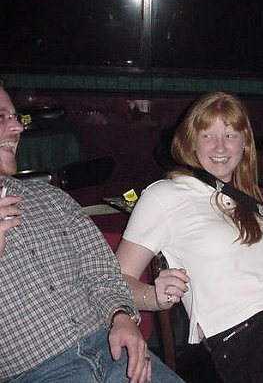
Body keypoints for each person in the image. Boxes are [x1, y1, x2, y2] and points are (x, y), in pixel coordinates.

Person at [115, 91, 263, 383]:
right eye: (208, 135)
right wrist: (153, 296)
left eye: (230, 135)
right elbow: (116, 281)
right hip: (244, 332)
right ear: (191, 142)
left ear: (245, 143)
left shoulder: (247, 194)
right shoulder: (164, 195)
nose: (220, 146)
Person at [0, 87, 184, 383]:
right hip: (35, 373)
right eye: (1, 116)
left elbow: (100, 273)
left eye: (15, 116)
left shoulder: (50, 198)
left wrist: (121, 317)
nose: (17, 127)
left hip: (110, 349)